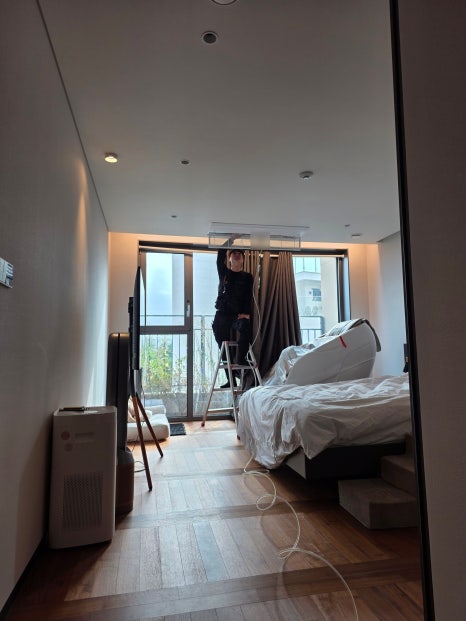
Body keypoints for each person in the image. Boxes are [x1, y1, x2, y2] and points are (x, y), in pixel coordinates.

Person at [212, 246, 254, 387]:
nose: (236, 255)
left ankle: (241, 358)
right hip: (222, 314)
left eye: (239, 254)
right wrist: (229, 241)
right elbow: (219, 259)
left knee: (245, 327)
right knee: (223, 346)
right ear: (229, 258)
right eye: (233, 253)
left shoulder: (248, 277)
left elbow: (248, 297)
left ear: (243, 259)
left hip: (238, 315)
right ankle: (230, 380)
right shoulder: (224, 273)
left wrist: (246, 314)